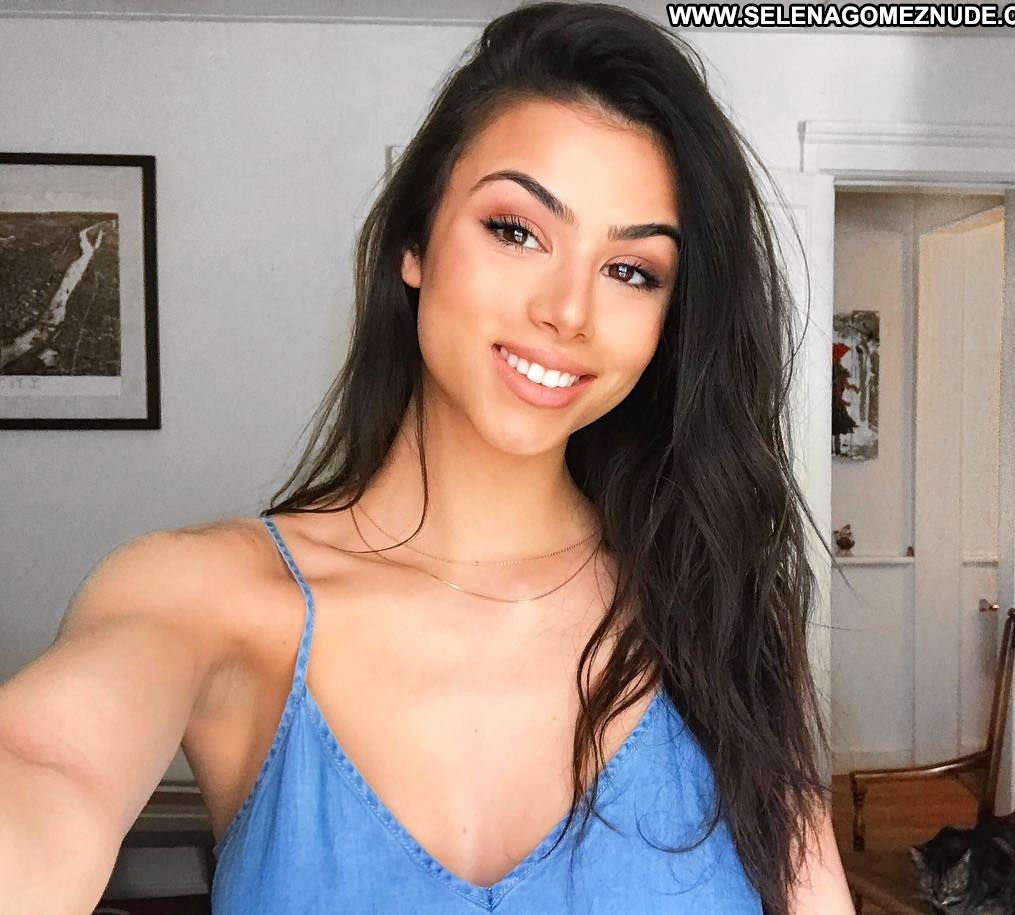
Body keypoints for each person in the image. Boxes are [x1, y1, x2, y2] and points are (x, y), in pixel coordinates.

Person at [0, 3, 854, 912]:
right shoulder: (208, 601)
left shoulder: (718, 618)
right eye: (517, 230)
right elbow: (45, 763)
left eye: (631, 270)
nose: (568, 310)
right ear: (415, 241)